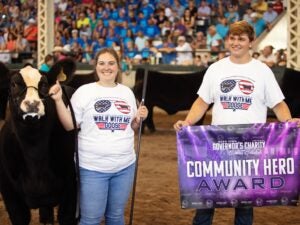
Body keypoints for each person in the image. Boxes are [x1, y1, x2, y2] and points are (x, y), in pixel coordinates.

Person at [174, 20, 300, 225]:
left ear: (251, 42)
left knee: (245, 204)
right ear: (227, 41)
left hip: (250, 148)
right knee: (206, 201)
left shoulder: (263, 71)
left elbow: (278, 104)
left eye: (241, 38)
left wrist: (288, 121)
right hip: (216, 146)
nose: (236, 42)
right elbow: (202, 102)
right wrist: (188, 121)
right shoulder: (216, 69)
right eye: (232, 38)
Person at [49, 47, 148, 225]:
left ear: (118, 66)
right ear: (96, 67)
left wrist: (139, 119)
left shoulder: (127, 92)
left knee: (116, 216)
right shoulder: (84, 92)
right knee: (91, 219)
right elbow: (69, 125)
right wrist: (57, 100)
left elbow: (132, 127)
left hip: (125, 166)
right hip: (92, 167)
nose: (106, 67)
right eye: (102, 63)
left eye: (111, 63)